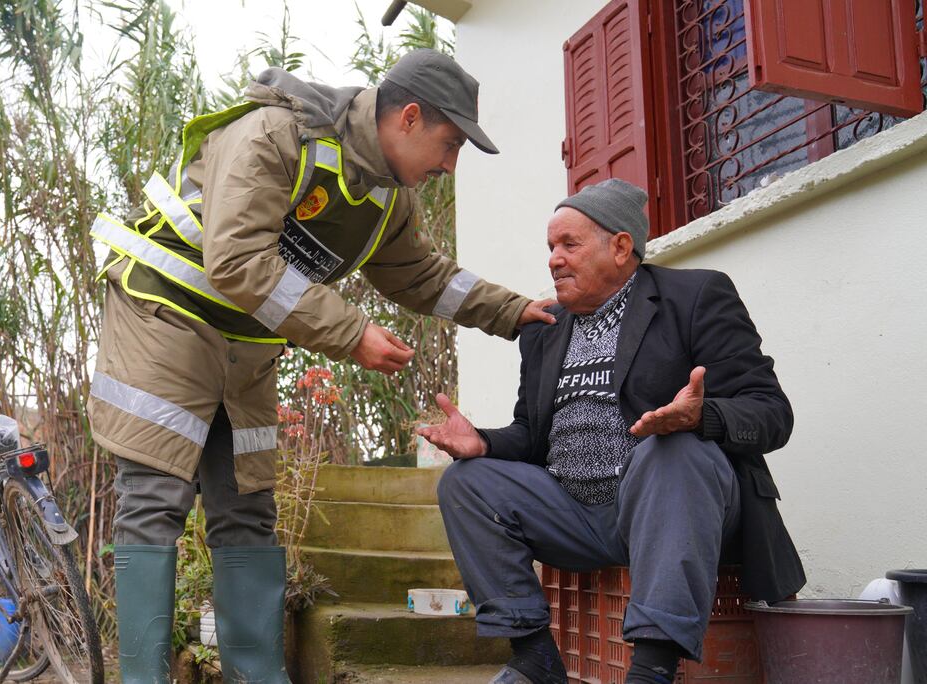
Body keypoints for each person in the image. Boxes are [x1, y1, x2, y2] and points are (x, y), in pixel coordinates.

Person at [87, 48, 555, 684]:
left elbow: (422, 275)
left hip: (247, 343)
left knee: (247, 507)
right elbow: (237, 261)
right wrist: (351, 333)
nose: (449, 165)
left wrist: (514, 311)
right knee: (155, 499)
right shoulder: (272, 134)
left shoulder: (388, 197)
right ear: (408, 118)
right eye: (449, 145)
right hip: (165, 314)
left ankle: (258, 677)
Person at [419, 178, 804, 684]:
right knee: (466, 482)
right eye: (550, 247)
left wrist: (699, 417)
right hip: (573, 514)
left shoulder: (695, 296)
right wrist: (484, 442)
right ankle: (534, 658)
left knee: (672, 449)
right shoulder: (544, 328)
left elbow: (772, 412)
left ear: (621, 247)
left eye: (569, 244)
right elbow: (532, 435)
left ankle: (651, 668)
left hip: (673, 508)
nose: (554, 260)